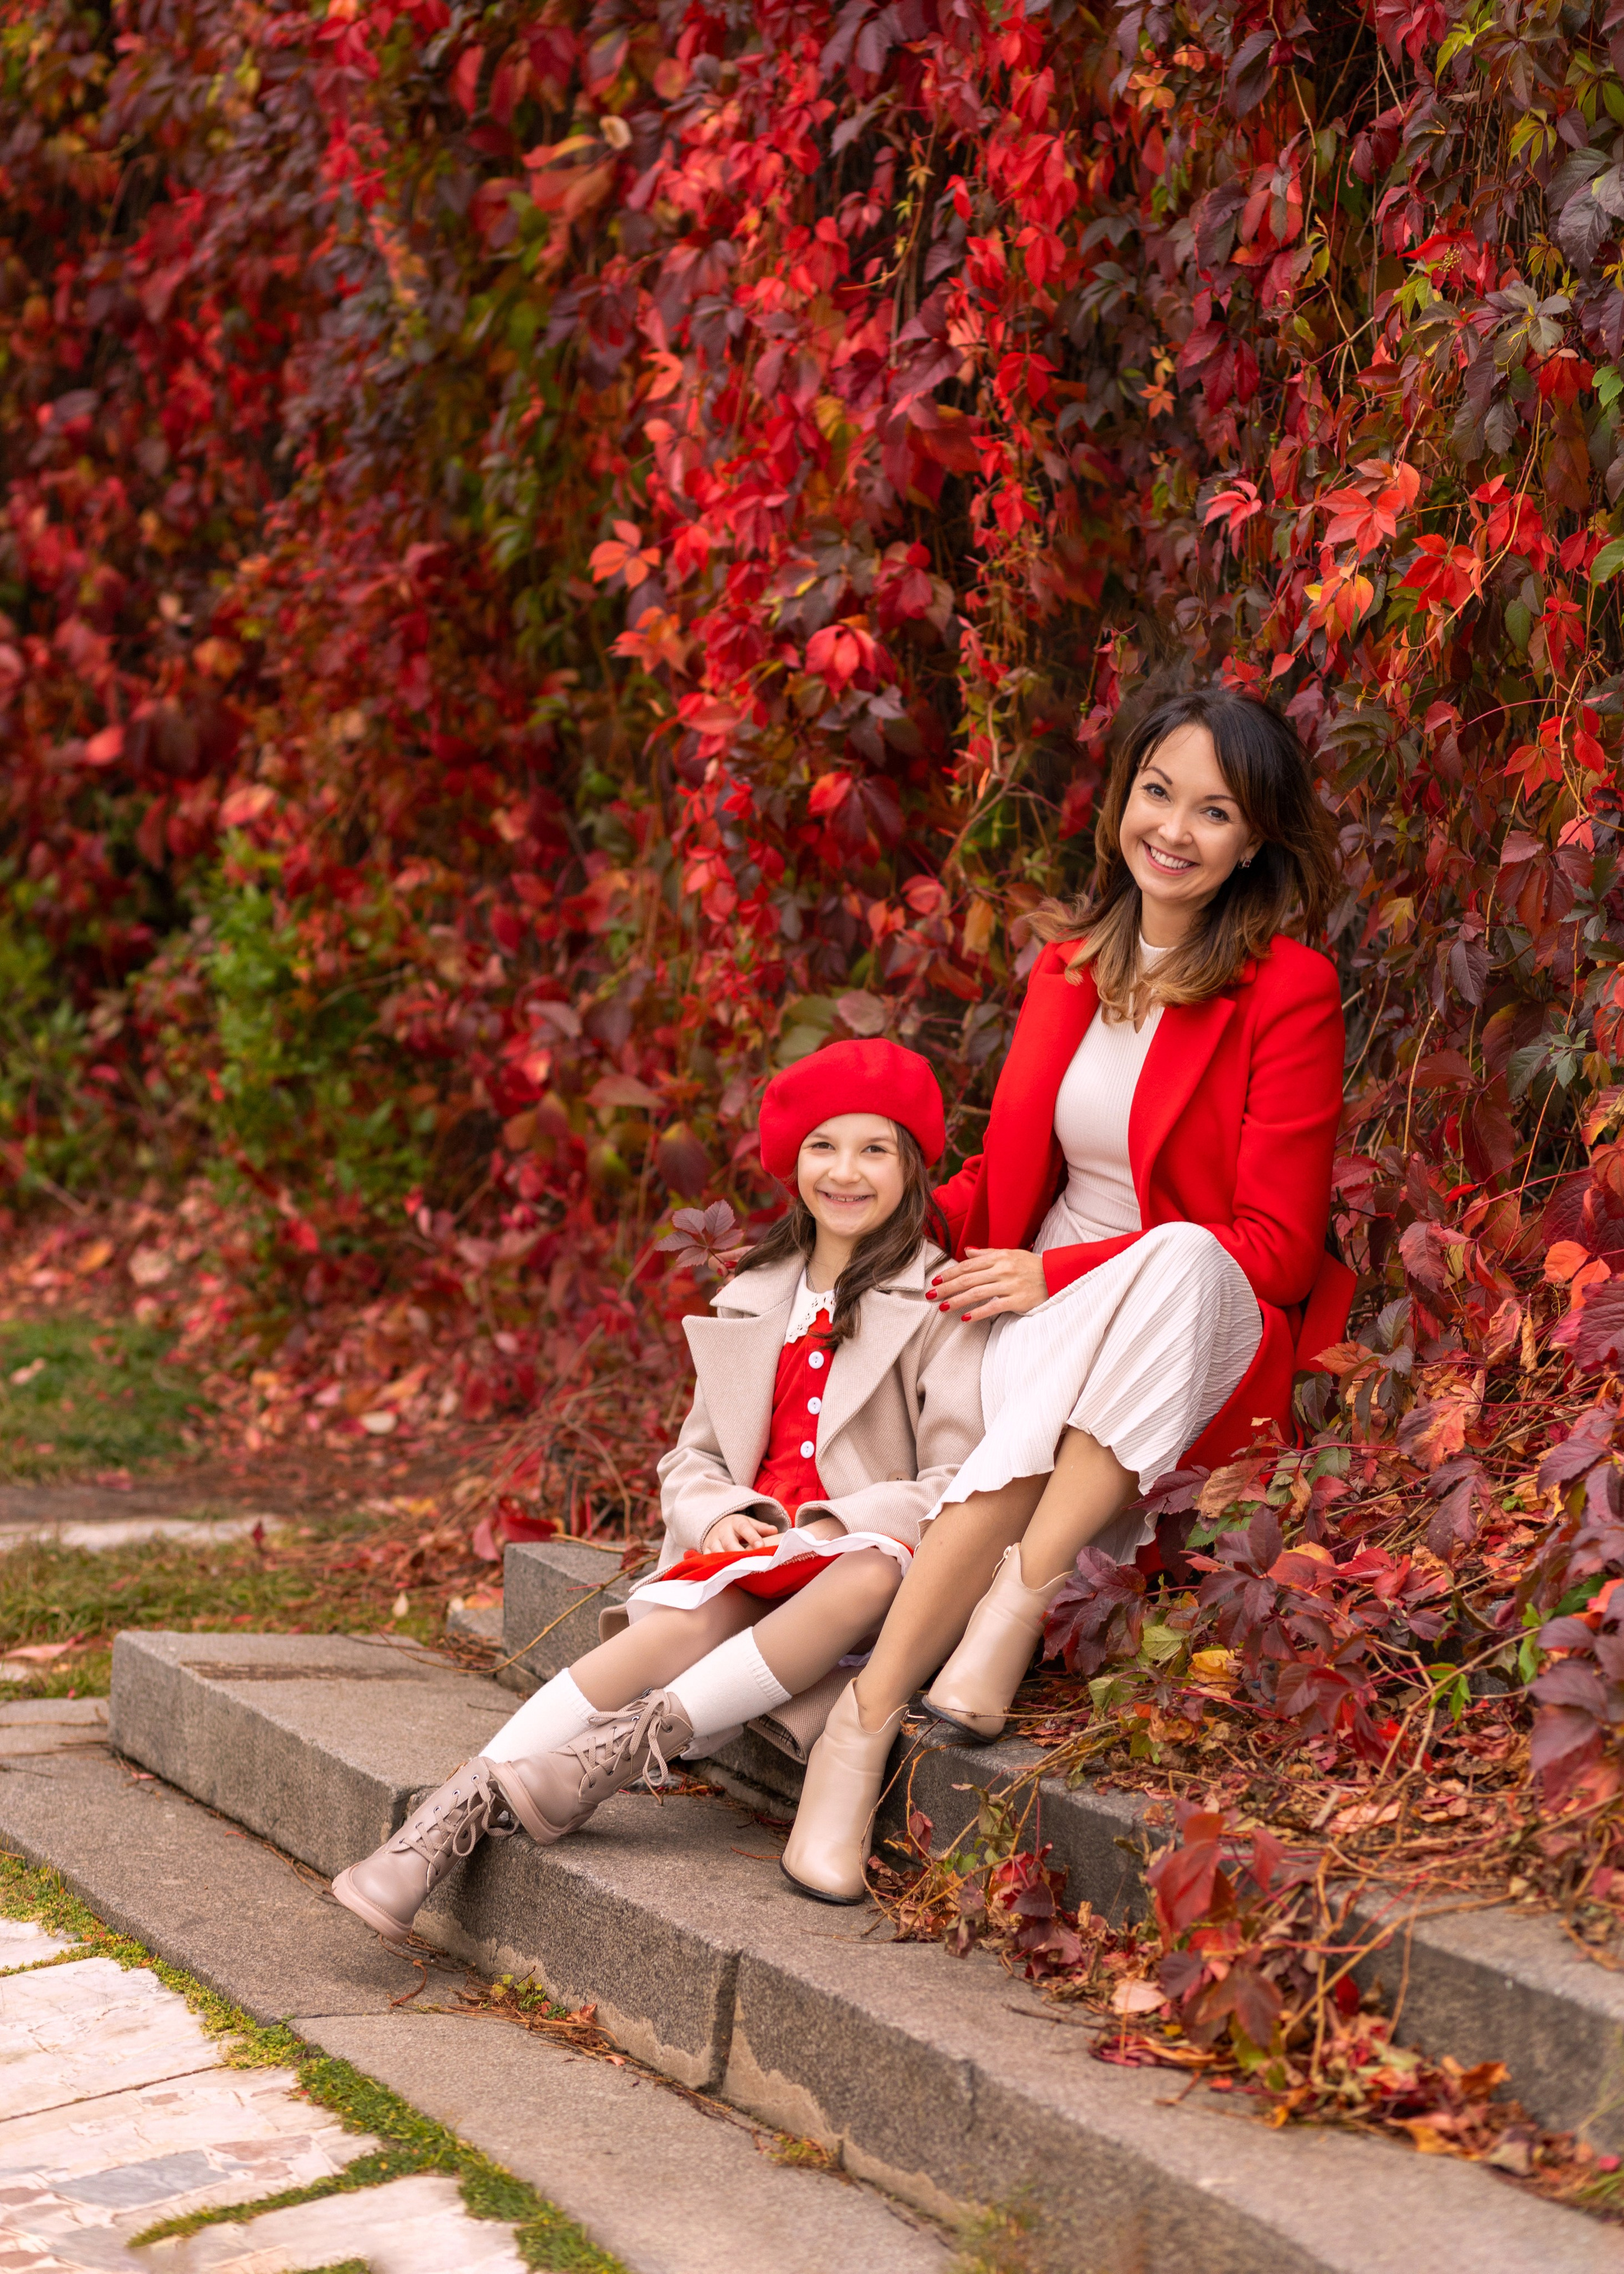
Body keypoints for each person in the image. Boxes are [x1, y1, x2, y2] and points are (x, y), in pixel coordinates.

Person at [780, 685, 1355, 1902]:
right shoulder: (1065, 972)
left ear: (1255, 841)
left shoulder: (1287, 987)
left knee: (1187, 1257)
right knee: (1041, 1409)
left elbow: (1275, 1250)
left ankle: (981, 1628)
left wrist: (1060, 1273)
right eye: (1158, 794)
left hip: (1196, 1333)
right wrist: (881, 1204)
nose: (1177, 832)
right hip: (1032, 1312)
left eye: (1216, 812)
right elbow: (1020, 1176)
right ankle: (889, 1705)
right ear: (1123, 803)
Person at [332, 1038, 989, 1942]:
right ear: (792, 1161)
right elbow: (693, 1460)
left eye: (876, 1149)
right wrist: (723, 1518)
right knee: (679, 1624)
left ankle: (610, 1759)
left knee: (870, 1573)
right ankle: (443, 1820)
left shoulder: (940, 1303)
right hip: (758, 1552)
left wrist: (837, 1524)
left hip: (853, 1559)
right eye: (823, 1147)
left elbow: (959, 1480)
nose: (846, 1172)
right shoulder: (753, 1295)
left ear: (915, 1165)